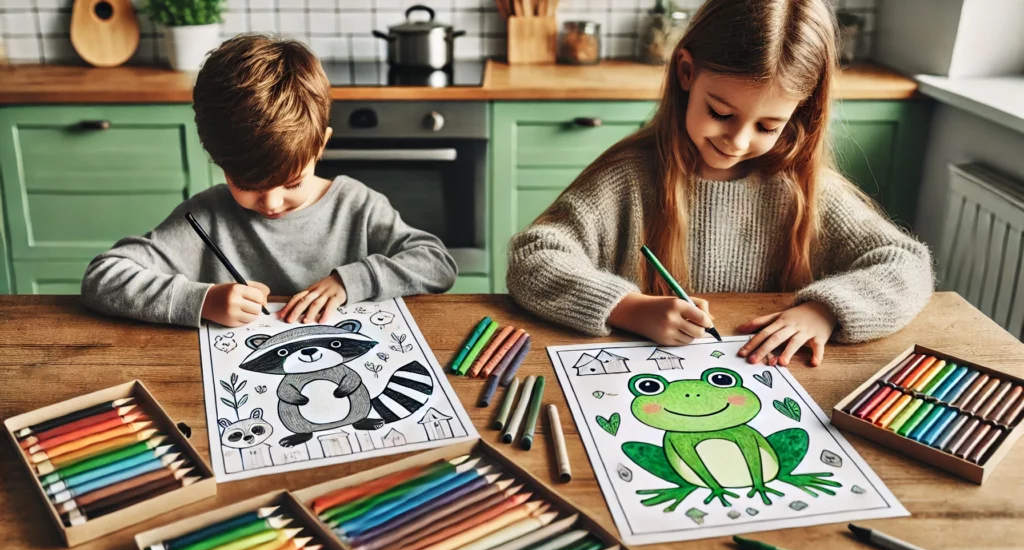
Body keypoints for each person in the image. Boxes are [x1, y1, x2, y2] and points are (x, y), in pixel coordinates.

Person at [506, 0, 933, 367]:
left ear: (798, 114)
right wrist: (627, 308)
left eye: (768, 125)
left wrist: (826, 311)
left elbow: (908, 266)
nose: (739, 140)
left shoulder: (802, 188)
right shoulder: (628, 178)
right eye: (721, 113)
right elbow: (533, 257)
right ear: (687, 72)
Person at [82, 34, 457, 328]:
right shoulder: (205, 219)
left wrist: (352, 281)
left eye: (291, 183)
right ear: (219, 162)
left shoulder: (357, 206)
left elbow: (437, 264)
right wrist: (203, 300)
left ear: (321, 145)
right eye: (248, 184)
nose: (272, 203)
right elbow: (103, 277)